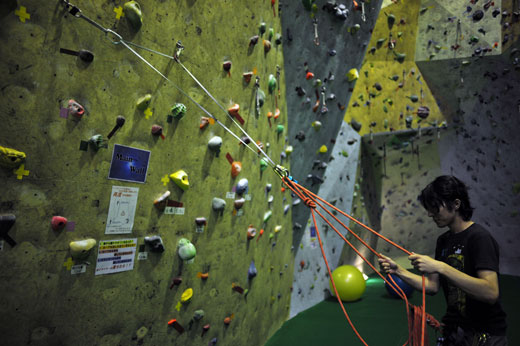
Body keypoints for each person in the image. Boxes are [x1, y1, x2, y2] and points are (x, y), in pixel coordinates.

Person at [378, 175, 507, 346]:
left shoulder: (479, 238)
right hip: (455, 332)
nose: (431, 214)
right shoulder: (443, 241)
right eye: (429, 208)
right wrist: (398, 271)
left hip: (485, 335)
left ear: (456, 204)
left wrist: (441, 267)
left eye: (435, 208)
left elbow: (490, 292)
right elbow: (432, 287)